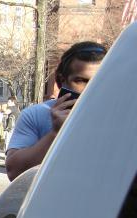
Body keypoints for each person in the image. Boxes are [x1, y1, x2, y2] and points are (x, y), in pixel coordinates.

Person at [6, 41, 107, 181]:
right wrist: (55, 133)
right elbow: (14, 172)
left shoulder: (124, 117)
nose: (91, 89)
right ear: (62, 80)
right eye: (81, 81)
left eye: (100, 80)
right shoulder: (36, 115)